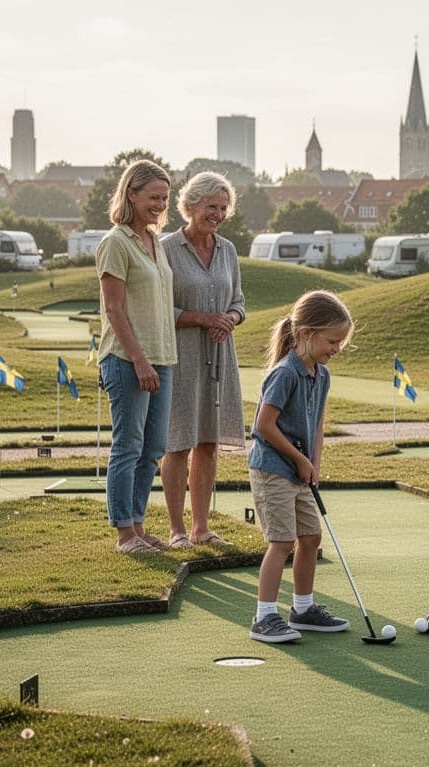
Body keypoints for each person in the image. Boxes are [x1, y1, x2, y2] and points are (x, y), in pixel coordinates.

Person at [246, 290, 355, 643]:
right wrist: (300, 459)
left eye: (341, 342)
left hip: (299, 471)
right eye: (332, 340)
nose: (336, 348)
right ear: (306, 333)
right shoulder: (284, 373)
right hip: (272, 468)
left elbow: (317, 424)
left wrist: (314, 465)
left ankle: (303, 609)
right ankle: (264, 617)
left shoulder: (320, 375)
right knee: (282, 541)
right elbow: (264, 425)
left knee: (311, 537)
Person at [160, 172, 246, 549]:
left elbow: (239, 301)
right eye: (212, 206)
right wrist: (203, 318)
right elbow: (158, 308)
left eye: (224, 207)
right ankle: (177, 530)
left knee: (208, 442)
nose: (218, 214)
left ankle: (201, 528)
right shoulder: (164, 249)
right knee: (178, 442)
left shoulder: (227, 249)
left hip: (220, 357)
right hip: (181, 357)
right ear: (190, 205)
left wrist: (231, 318)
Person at [96, 159, 177, 554]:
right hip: (127, 360)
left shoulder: (154, 241)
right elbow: (114, 309)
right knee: (128, 445)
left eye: (165, 198)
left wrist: (156, 360)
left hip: (163, 358)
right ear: (131, 194)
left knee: (153, 448)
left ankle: (140, 526)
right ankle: (124, 534)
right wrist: (140, 360)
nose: (160, 204)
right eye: (153, 197)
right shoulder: (116, 242)